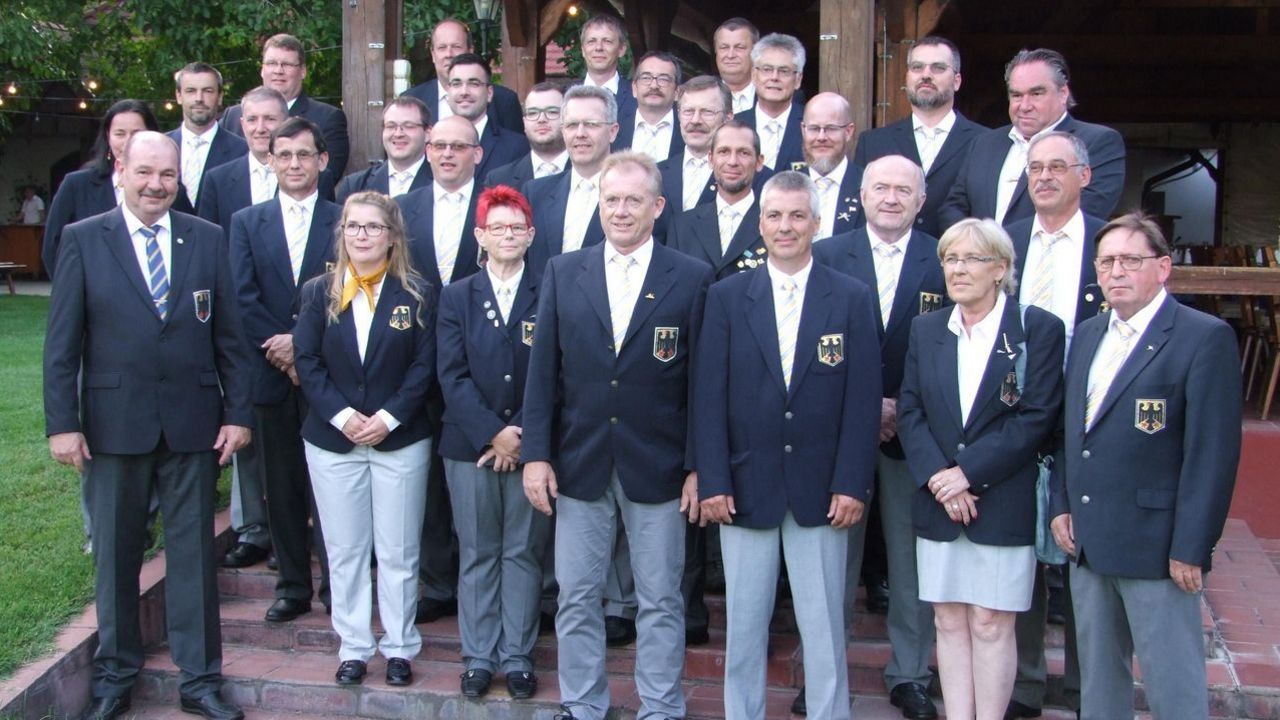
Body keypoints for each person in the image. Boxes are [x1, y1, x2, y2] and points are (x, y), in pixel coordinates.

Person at [44, 131, 252, 720]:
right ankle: (114, 676)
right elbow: (61, 345)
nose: (156, 184)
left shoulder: (207, 239)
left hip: (193, 426)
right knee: (115, 557)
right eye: (144, 173)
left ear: (179, 175)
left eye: (167, 174)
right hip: (113, 427)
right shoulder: (85, 240)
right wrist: (64, 423)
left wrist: (237, 414)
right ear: (121, 171)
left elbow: (230, 339)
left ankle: (200, 679)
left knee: (192, 559)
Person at [521, 151, 713, 720]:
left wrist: (699, 466)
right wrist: (537, 455)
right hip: (580, 463)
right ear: (598, 203)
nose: (621, 210)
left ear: (657, 206)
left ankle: (660, 708)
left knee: (660, 599)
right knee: (577, 597)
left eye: (633, 200)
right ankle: (582, 705)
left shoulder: (691, 277)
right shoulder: (562, 270)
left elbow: (702, 382)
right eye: (611, 199)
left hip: (659, 467)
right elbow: (542, 375)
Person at [695, 170, 881, 720]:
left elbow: (863, 400)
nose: (786, 226)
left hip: (823, 490)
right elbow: (709, 396)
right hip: (744, 486)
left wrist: (852, 482)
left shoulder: (849, 297)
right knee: (745, 626)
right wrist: (714, 479)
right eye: (774, 216)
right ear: (760, 224)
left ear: (816, 223)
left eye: (798, 215)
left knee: (823, 625)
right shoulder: (727, 297)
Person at [1049, 213, 1242, 720]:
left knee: (1172, 684)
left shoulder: (1203, 337)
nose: (1116, 272)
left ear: (1162, 267)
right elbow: (1072, 432)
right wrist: (1061, 505)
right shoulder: (1088, 334)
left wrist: (1192, 547)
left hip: (1158, 547)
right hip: (1088, 541)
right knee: (1098, 683)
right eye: (1106, 261)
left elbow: (1212, 455)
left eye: (1130, 260)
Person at [896, 218, 1065, 720]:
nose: (958, 269)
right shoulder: (927, 330)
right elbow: (910, 411)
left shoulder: (1038, 328)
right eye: (950, 258)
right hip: (938, 498)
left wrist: (966, 473)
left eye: (971, 258)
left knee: (992, 622)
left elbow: (1037, 416)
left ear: (1001, 269)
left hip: (1002, 496)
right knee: (948, 620)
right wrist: (940, 480)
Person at [815, 155, 945, 720]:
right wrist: (867, 407)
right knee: (831, 558)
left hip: (914, 432)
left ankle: (910, 673)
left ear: (921, 199)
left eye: (903, 190)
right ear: (860, 196)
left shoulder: (944, 257)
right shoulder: (825, 255)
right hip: (841, 431)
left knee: (910, 558)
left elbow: (948, 349)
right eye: (880, 188)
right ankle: (825, 672)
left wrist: (896, 406)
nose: (891, 198)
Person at [292, 191, 437, 688]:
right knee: (346, 549)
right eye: (353, 226)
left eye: (373, 227)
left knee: (397, 550)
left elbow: (425, 365)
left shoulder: (417, 293)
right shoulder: (318, 293)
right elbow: (306, 361)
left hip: (399, 440)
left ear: (392, 237)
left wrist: (391, 417)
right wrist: (343, 415)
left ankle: (398, 646)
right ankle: (354, 646)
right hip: (334, 441)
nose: (361, 235)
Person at [1004, 130, 1106, 719]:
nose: (1043, 177)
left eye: (1057, 167)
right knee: (1021, 550)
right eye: (1034, 167)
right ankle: (1026, 682)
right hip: (1016, 414)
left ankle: (1087, 686)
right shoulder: (1008, 240)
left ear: (1083, 177)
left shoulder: (1106, 244)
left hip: (1090, 411)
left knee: (1081, 553)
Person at [436, 185, 548, 699]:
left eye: (516, 227)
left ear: (531, 234)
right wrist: (492, 433)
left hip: (531, 445)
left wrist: (521, 435)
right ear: (480, 235)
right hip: (470, 448)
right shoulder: (457, 295)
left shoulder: (552, 289)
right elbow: (451, 375)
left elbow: (556, 371)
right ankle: (479, 656)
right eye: (497, 227)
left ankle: (519, 656)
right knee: (479, 551)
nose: (508, 235)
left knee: (523, 552)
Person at [228, 116, 339, 623]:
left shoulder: (344, 220)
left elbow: (351, 292)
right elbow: (241, 296)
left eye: (304, 154)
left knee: (334, 487)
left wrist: (305, 347)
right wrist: (283, 349)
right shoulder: (247, 223)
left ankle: (339, 586)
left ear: (322, 160)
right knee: (284, 484)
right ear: (270, 161)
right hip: (271, 376)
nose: (294, 164)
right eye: (284, 155)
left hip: (331, 376)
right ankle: (293, 585)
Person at [397, 114, 488, 626]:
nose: (448, 154)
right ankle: (436, 580)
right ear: (427, 150)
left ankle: (487, 578)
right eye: (439, 145)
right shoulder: (402, 209)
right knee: (428, 475)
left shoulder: (498, 206)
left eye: (460, 146)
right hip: (414, 360)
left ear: (478, 153)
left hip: (481, 362)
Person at [940, 49, 1124, 230]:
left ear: (1063, 93)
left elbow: (1085, 213)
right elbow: (954, 207)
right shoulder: (983, 143)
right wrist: (972, 247)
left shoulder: (1098, 142)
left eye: (1036, 94)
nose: (1025, 106)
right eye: (1016, 95)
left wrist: (1007, 249)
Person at [853, 37, 985, 238]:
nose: (926, 75)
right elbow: (861, 214)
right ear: (907, 77)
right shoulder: (873, 142)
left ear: (957, 81)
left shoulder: (984, 142)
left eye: (938, 68)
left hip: (959, 261)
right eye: (917, 67)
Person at [44, 100, 161, 277]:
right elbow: (53, 248)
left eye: (136, 133)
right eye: (120, 134)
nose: (128, 142)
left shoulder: (167, 188)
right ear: (108, 136)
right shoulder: (76, 185)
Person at [221, 33, 350, 182]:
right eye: (271, 63)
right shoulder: (233, 116)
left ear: (303, 71)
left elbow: (326, 179)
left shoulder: (328, 118)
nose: (278, 71)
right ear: (262, 69)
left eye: (287, 64)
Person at [523, 85, 618, 274]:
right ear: (563, 131)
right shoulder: (535, 193)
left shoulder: (633, 197)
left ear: (613, 131)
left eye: (591, 124)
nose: (580, 133)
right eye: (572, 125)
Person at [668, 120, 767, 280]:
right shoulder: (681, 227)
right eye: (724, 151)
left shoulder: (773, 224)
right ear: (710, 159)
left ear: (759, 162)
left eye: (743, 153)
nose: (733, 161)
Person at [402, 17, 524, 133]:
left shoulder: (505, 101)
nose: (449, 54)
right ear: (433, 55)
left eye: (456, 47)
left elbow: (515, 150)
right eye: (442, 48)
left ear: (470, 51)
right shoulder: (411, 100)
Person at [198, 87, 288, 239]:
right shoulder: (217, 180)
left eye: (269, 119)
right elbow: (207, 242)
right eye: (252, 119)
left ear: (286, 122)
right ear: (242, 124)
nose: (260, 128)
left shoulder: (313, 177)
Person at [168, 62, 247, 209]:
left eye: (208, 91)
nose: (199, 98)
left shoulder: (242, 151)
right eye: (191, 91)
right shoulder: (160, 147)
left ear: (220, 96)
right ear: (178, 96)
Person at [443, 53, 530, 182]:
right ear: (448, 91)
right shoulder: (432, 145)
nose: (464, 92)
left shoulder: (517, 147)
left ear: (489, 93)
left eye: (474, 84)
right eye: (456, 84)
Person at [657, 76, 733, 215]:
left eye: (707, 112)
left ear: (727, 119)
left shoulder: (745, 175)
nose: (696, 120)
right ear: (679, 115)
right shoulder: (656, 174)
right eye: (689, 111)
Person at [336, 96, 433, 204]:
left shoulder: (442, 182)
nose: (398, 133)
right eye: (391, 126)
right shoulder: (355, 185)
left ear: (427, 133)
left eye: (408, 126)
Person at [798, 92, 864, 240]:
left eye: (831, 128)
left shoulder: (868, 187)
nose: (821, 137)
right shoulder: (786, 185)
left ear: (848, 132)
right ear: (803, 130)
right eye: (814, 128)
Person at [735, 33, 805, 171]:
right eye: (767, 69)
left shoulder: (812, 126)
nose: (774, 77)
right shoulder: (734, 125)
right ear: (754, 75)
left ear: (798, 79)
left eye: (784, 71)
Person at [485, 83, 569, 189]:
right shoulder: (498, 180)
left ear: (568, 119)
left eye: (552, 111)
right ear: (524, 122)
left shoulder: (589, 173)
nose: (541, 119)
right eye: (533, 113)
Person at [613, 51, 684, 162]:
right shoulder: (613, 129)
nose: (654, 85)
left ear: (677, 92)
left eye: (663, 79)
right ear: (634, 88)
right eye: (646, 78)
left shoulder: (687, 130)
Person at [576, 14, 636, 117]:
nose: (599, 47)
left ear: (621, 49)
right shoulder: (563, 96)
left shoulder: (637, 97)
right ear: (583, 50)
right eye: (591, 41)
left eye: (607, 41)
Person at [714, 18, 759, 114]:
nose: (730, 55)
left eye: (740, 47)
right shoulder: (696, 95)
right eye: (724, 47)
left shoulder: (776, 96)